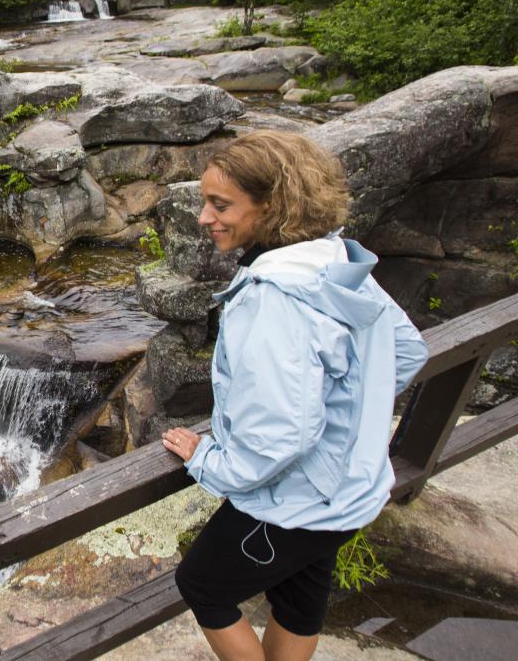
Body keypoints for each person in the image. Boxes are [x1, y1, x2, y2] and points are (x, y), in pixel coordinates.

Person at [160, 130, 428, 661]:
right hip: (351, 487)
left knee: (204, 584)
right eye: (204, 202)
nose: (204, 217)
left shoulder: (273, 299)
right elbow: (405, 353)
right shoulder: (333, 263)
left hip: (298, 498)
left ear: (272, 206)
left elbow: (279, 435)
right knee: (299, 597)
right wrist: (347, 417)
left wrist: (208, 459)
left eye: (220, 204)